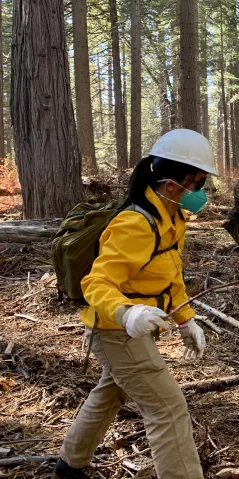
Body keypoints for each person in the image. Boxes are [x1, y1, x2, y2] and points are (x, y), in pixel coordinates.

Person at [52, 129, 217, 479]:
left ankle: (69, 466)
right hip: (115, 331)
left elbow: (171, 275)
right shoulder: (135, 224)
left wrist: (186, 320)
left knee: (111, 393)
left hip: (133, 328)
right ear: (172, 184)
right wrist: (128, 313)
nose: (203, 192)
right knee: (168, 408)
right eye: (199, 183)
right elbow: (95, 282)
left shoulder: (171, 218)